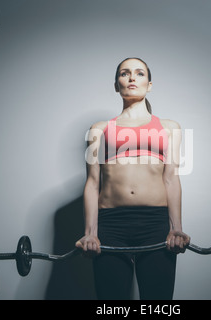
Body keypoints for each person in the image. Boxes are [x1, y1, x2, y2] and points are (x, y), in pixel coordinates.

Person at [75, 57, 190, 300]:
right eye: (124, 73)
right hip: (111, 224)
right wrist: (90, 233)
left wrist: (176, 229)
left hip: (155, 223)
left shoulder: (170, 127)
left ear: (149, 84)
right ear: (117, 85)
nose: (131, 78)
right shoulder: (99, 129)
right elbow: (93, 183)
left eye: (139, 73)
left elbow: (171, 179)